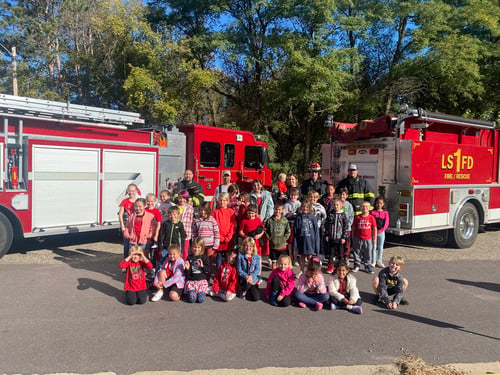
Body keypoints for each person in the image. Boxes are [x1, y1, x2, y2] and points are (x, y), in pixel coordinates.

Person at [192, 202, 220, 276]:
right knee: (200, 260)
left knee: (208, 262)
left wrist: (215, 245)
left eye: (204, 210)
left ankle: (208, 277)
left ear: (208, 210)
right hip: (200, 245)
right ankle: (201, 275)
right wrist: (194, 242)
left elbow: (216, 233)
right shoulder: (197, 220)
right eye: (201, 210)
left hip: (210, 245)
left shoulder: (212, 220)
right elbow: (194, 233)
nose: (203, 212)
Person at [324, 198, 349, 274]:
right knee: (331, 253)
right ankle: (330, 266)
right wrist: (327, 234)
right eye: (334, 205)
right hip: (332, 237)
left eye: (337, 205)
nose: (336, 206)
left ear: (341, 205)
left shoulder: (343, 215)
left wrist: (344, 237)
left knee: (341, 253)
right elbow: (327, 225)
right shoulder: (330, 214)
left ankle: (340, 267)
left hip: (340, 238)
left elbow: (345, 227)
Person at [294, 200, 320, 272]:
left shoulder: (312, 218)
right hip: (302, 241)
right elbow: (296, 231)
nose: (305, 208)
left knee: (310, 257)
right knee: (302, 257)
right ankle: (302, 271)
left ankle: (309, 271)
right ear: (301, 207)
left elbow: (316, 231)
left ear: (309, 208)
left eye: (307, 207)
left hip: (310, 241)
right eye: (303, 207)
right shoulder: (298, 217)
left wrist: (316, 243)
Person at [351, 201, 377, 274]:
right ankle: (357, 264)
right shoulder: (357, 217)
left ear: (369, 208)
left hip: (368, 238)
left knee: (368, 252)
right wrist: (353, 237)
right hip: (358, 237)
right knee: (357, 251)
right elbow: (354, 227)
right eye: (363, 206)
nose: (364, 208)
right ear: (360, 208)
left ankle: (367, 265)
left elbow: (374, 228)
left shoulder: (371, 218)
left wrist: (374, 238)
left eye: (366, 206)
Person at [213, 193, 236, 270]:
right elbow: (214, 226)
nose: (222, 202)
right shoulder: (215, 212)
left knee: (228, 256)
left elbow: (232, 225)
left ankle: (228, 272)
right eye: (220, 200)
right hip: (219, 238)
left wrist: (229, 236)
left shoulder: (231, 211)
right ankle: (218, 273)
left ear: (228, 201)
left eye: (224, 200)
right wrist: (220, 237)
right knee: (219, 256)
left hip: (228, 238)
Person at [184, 237, 211, 303]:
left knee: (201, 300)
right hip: (192, 281)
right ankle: (191, 292)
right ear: (192, 247)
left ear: (202, 247)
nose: (196, 249)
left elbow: (208, 271)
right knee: (192, 299)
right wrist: (187, 269)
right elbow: (187, 274)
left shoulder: (204, 257)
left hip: (201, 281)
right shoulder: (189, 257)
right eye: (194, 247)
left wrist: (202, 266)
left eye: (198, 247)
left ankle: (199, 292)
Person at [265, 201, 291, 269]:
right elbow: (266, 230)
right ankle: (274, 276)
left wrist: (284, 238)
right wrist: (269, 237)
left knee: (283, 261)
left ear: (282, 210)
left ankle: (283, 276)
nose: (277, 211)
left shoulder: (284, 220)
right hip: (273, 245)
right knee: (274, 262)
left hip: (282, 245)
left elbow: (288, 231)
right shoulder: (270, 220)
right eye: (276, 209)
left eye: (279, 209)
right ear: (274, 209)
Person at [237, 237, 261, 301]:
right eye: (246, 246)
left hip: (253, 279)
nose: (248, 248)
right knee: (247, 286)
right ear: (243, 246)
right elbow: (239, 270)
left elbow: (258, 269)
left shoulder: (256, 256)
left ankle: (248, 290)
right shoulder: (240, 256)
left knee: (256, 298)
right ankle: (244, 290)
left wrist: (251, 276)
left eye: (250, 246)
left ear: (253, 247)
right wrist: (246, 276)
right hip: (244, 278)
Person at [118, 183, 138, 259]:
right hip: (127, 227)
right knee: (126, 245)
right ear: (127, 191)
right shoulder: (124, 201)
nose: (131, 192)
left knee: (135, 246)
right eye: (129, 191)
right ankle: (126, 262)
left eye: (133, 191)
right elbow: (120, 214)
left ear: (136, 191)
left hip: (136, 227)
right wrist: (122, 226)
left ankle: (135, 262)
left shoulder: (139, 201)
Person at [370, 196, 389, 268]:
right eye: (377, 203)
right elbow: (371, 222)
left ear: (383, 204)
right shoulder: (372, 212)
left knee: (380, 247)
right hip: (373, 232)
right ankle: (373, 260)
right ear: (375, 204)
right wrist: (373, 230)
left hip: (381, 232)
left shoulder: (385, 213)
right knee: (373, 247)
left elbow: (386, 223)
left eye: (381, 203)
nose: (379, 205)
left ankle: (379, 260)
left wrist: (382, 230)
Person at [284, 187, 301, 265]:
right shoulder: (287, 204)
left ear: (297, 196)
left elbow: (300, 214)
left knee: (297, 242)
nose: (293, 197)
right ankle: (290, 257)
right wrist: (292, 214)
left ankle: (295, 257)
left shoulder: (299, 204)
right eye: (291, 195)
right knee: (290, 242)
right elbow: (285, 214)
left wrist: (293, 214)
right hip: (289, 224)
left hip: (297, 225)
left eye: (295, 195)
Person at [176, 190, 194, 260]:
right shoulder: (175, 207)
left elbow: (191, 220)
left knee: (185, 250)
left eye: (184, 198)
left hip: (186, 232)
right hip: (177, 232)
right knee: (177, 249)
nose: (182, 200)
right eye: (180, 198)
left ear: (186, 199)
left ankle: (184, 264)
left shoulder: (190, 208)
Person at [339, 187, 354, 264]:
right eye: (341, 194)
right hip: (338, 229)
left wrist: (349, 224)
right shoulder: (337, 203)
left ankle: (346, 257)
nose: (342, 196)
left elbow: (351, 216)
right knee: (339, 243)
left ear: (346, 196)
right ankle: (339, 257)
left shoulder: (348, 205)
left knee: (347, 244)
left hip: (347, 229)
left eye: (343, 195)